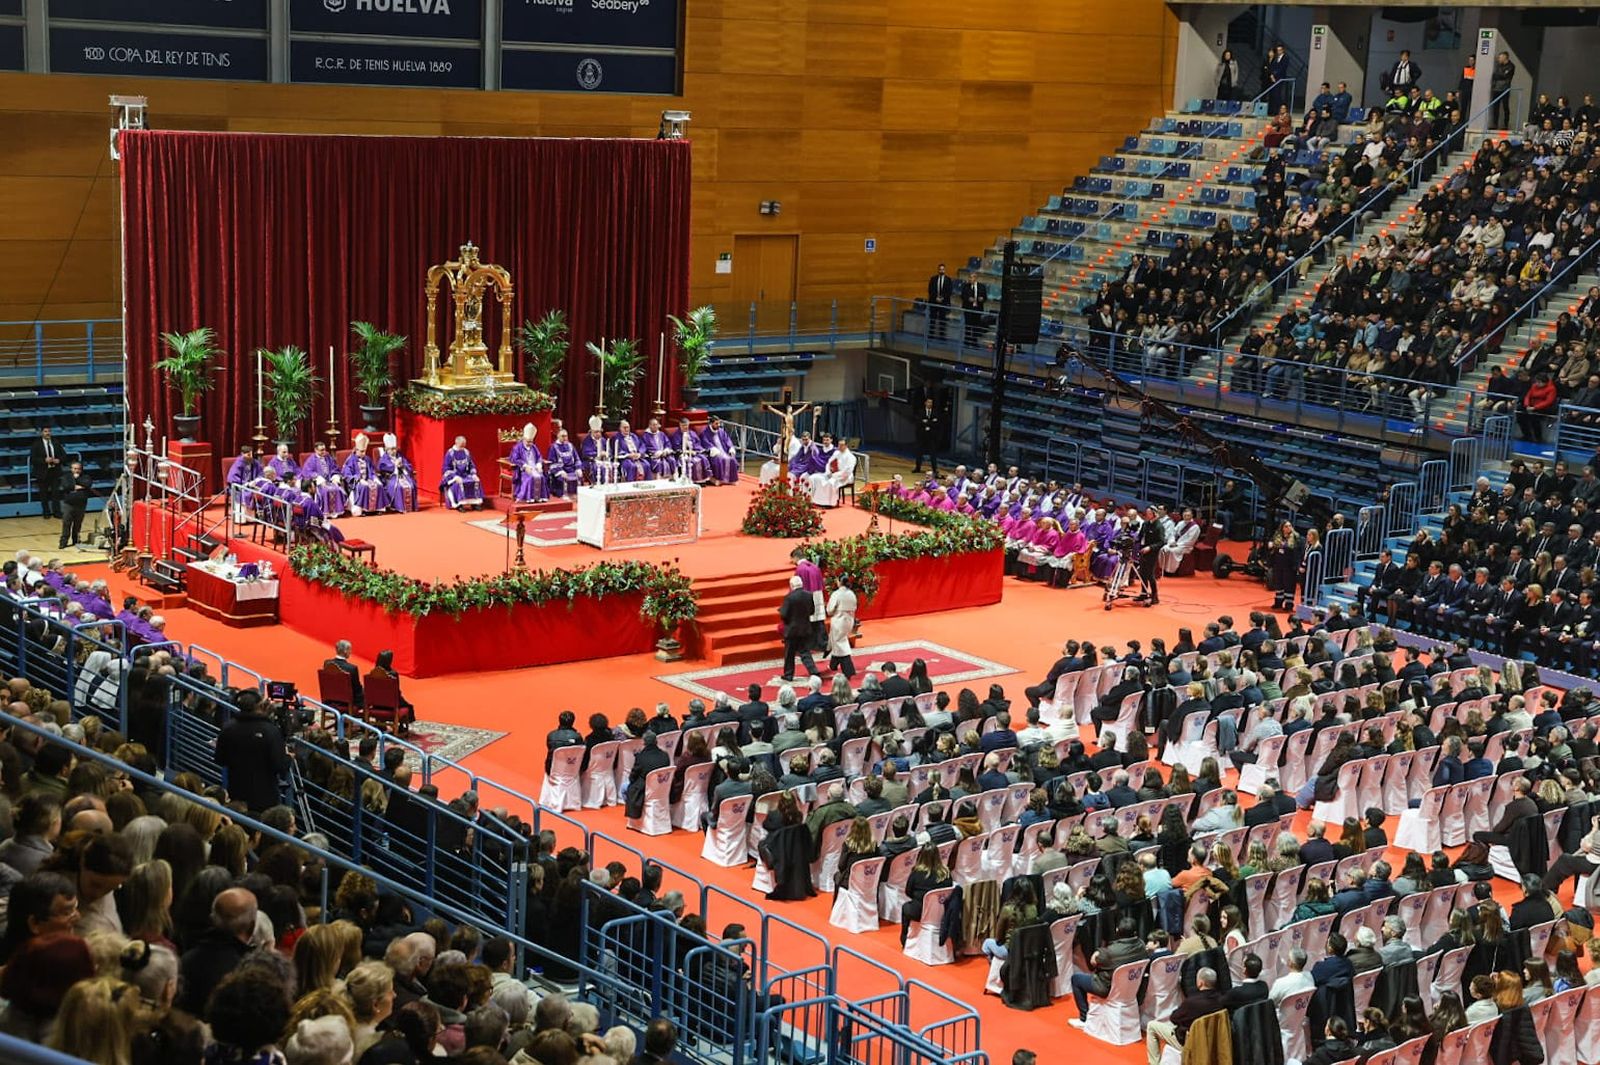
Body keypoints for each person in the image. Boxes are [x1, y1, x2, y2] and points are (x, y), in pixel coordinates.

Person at [215, 690, 291, 812]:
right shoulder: (270, 730)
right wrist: (289, 758)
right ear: (259, 706)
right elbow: (279, 765)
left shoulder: (228, 728)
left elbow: (220, 759)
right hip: (266, 797)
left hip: (237, 792)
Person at [1069, 916, 1148, 1027]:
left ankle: (1084, 1018)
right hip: (1132, 988)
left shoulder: (1110, 952)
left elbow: (1093, 962)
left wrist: (1099, 951)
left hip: (1108, 988)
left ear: (1117, 931)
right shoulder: (1141, 945)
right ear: (1135, 932)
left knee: (1076, 979)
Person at [779, 575, 820, 682]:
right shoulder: (809, 595)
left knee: (789, 654)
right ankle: (813, 670)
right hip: (805, 628)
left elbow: (784, 614)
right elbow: (812, 611)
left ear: (792, 586)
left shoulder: (789, 597)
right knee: (805, 652)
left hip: (792, 630)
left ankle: (788, 674)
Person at [439, 435, 485, 510]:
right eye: (461, 446)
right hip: (453, 476)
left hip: (465, 474)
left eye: (464, 446)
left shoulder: (466, 452)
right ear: (456, 443)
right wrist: (455, 477)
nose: (462, 448)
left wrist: (473, 474)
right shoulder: (450, 453)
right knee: (459, 483)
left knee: (475, 481)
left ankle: (474, 503)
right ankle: (459, 504)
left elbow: (471, 465)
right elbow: (446, 468)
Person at [826, 578, 858, 679]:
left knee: (840, 644)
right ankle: (833, 664)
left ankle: (848, 670)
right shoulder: (851, 593)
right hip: (849, 620)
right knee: (838, 642)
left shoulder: (837, 594)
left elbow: (830, 610)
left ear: (840, 582)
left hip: (839, 621)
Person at [809, 439, 856, 508]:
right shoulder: (836, 453)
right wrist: (829, 472)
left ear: (846, 446)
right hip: (831, 474)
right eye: (839, 445)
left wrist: (834, 475)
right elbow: (829, 463)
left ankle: (829, 503)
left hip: (844, 477)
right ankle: (816, 500)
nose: (839, 446)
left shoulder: (851, 457)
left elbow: (847, 471)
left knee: (830, 483)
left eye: (842, 445)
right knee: (814, 478)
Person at [29, 427, 63, 519]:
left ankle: (57, 512)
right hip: (42, 472)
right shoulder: (36, 444)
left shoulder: (56, 442)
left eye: (49, 431)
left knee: (56, 493)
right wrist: (44, 460)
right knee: (43, 494)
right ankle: (46, 512)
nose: (48, 433)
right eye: (45, 431)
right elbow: (33, 459)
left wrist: (58, 460)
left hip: (54, 471)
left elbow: (64, 455)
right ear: (41, 433)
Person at [57, 461, 91, 551]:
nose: (76, 471)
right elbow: (65, 486)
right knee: (66, 523)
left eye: (78, 469)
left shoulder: (86, 476)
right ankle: (63, 542)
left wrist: (77, 480)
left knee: (77, 524)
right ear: (71, 469)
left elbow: (87, 484)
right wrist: (76, 486)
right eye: (74, 468)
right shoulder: (66, 477)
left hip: (81, 504)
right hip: (69, 504)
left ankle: (76, 541)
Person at [323, 639, 364, 710]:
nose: (350, 652)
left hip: (329, 701)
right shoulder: (352, 668)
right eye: (350, 650)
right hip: (346, 703)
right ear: (346, 651)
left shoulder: (327, 663)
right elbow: (356, 689)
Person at [700, 416, 740, 484]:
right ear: (711, 424)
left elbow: (727, 440)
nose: (718, 425)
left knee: (732, 459)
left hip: (724, 451)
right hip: (713, 453)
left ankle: (730, 479)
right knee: (718, 460)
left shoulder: (721, 431)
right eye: (716, 423)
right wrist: (712, 449)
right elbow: (705, 442)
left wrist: (730, 447)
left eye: (719, 423)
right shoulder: (705, 432)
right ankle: (719, 479)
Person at [546, 426, 583, 497]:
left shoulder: (570, 445)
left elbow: (577, 458)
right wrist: (560, 471)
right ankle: (564, 495)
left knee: (579, 475)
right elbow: (552, 463)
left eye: (566, 436)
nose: (565, 438)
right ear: (558, 436)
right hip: (561, 470)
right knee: (561, 478)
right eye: (563, 436)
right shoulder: (553, 447)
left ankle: (576, 495)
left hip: (572, 469)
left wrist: (578, 468)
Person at [960, 270, 988, 347]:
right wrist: (968, 299)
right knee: (968, 326)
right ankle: (967, 341)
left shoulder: (982, 287)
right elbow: (962, 296)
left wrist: (982, 299)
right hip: (968, 309)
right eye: (969, 277)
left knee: (976, 326)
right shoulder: (966, 286)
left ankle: (974, 341)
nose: (969, 279)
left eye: (971, 277)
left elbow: (985, 297)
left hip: (977, 309)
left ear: (975, 278)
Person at [913, 396, 941, 475]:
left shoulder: (935, 412)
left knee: (933, 453)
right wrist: (930, 422)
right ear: (925, 403)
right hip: (922, 436)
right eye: (928, 402)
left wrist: (926, 422)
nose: (930, 404)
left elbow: (936, 423)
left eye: (931, 402)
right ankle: (917, 468)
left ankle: (935, 469)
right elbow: (919, 422)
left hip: (931, 437)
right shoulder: (920, 411)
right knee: (919, 452)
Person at [926, 263, 953, 339]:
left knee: (942, 320)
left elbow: (949, 291)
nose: (941, 271)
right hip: (934, 302)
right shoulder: (933, 279)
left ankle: (942, 336)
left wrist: (942, 298)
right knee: (933, 319)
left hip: (943, 303)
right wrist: (936, 298)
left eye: (943, 269)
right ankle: (931, 335)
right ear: (938, 270)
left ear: (945, 270)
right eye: (940, 269)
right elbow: (930, 290)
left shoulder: (948, 280)